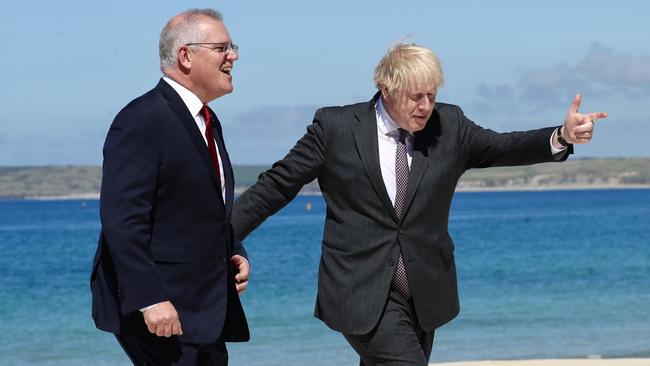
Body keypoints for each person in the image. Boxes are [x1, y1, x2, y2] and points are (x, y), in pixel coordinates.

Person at [232, 43, 608, 365]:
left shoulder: (451, 125)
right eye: (416, 97)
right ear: (386, 88)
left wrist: (560, 136)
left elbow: (503, 145)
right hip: (359, 290)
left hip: (425, 291)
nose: (426, 106)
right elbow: (277, 185)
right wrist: (218, 238)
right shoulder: (335, 128)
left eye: (432, 94)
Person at [90, 8, 249, 365]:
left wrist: (234, 249)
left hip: (204, 308)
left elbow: (202, 205)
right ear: (186, 55)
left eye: (232, 47)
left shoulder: (207, 120)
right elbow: (122, 219)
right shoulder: (141, 120)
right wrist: (150, 298)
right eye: (222, 47)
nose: (233, 56)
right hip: (162, 312)